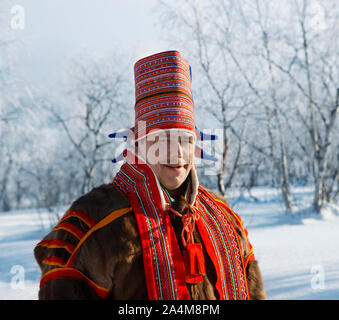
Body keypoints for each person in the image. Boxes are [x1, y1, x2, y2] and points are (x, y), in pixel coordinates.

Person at [34, 50, 266, 300]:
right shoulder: (95, 218)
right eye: (161, 139)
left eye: (185, 140)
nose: (176, 152)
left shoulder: (223, 216)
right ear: (138, 145)